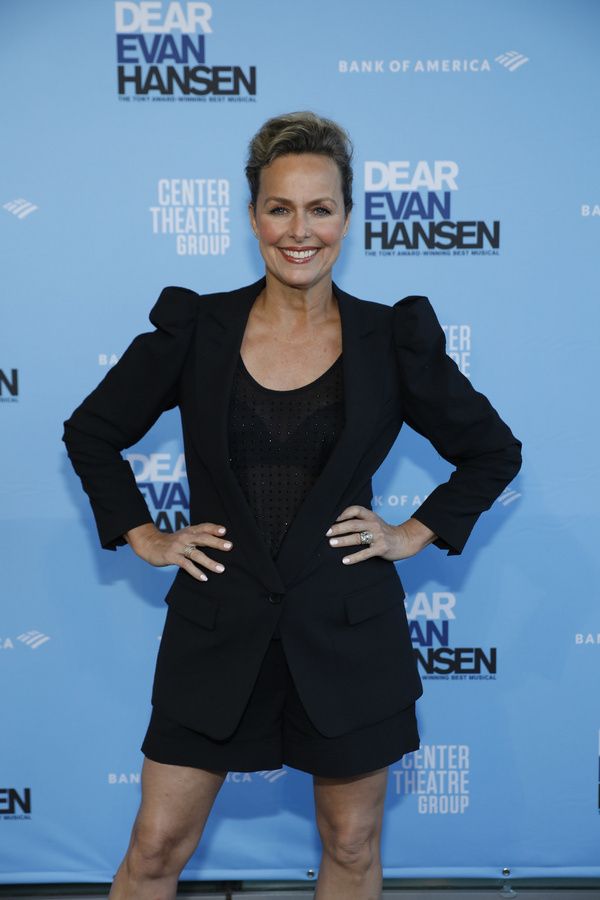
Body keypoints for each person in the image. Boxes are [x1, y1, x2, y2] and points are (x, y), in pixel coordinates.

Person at [62, 111, 522, 900]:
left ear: (347, 217)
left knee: (351, 844)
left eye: (320, 208)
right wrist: (142, 532)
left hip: (348, 634)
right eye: (279, 208)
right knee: (155, 847)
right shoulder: (195, 331)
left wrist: (415, 531)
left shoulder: (390, 342)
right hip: (216, 630)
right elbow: (92, 430)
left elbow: (493, 450)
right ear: (252, 218)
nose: (299, 230)